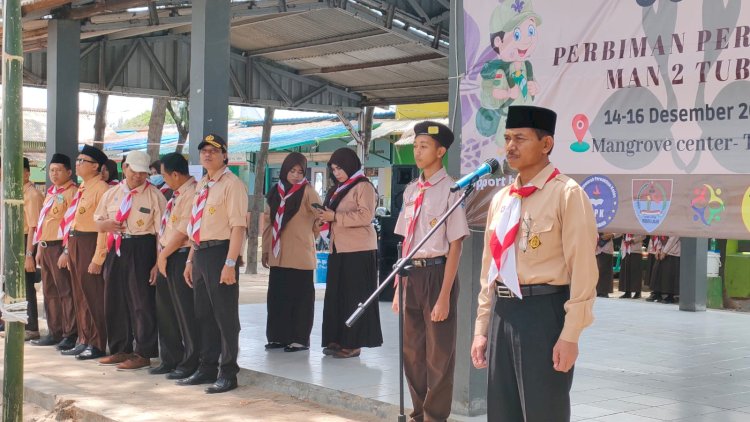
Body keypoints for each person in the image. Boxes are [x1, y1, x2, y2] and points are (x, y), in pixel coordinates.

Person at [471, 105, 598, 421]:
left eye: (521, 139)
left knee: (544, 411)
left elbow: (583, 270)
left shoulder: (567, 195)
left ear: (546, 144)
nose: (511, 146)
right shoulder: (502, 199)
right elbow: (491, 269)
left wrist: (571, 335)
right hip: (503, 312)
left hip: (544, 314)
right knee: (502, 412)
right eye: (508, 138)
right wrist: (482, 328)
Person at [392, 121, 469, 421]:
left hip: (438, 274)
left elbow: (456, 246)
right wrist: (398, 288)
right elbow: (405, 242)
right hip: (411, 274)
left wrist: (445, 295)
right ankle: (417, 412)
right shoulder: (411, 191)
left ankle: (435, 417)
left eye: (424, 146)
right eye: (415, 146)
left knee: (439, 354)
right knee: (412, 351)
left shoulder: (451, 191)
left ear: (441, 151)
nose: (418, 151)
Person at [182, 134, 248, 394]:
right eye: (204, 151)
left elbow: (238, 227)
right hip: (199, 254)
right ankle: (207, 366)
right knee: (203, 314)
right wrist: (190, 260)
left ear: (224, 155)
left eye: (213, 151)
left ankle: (228, 373)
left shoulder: (232, 184)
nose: (208, 155)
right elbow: (194, 226)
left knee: (225, 316)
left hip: (220, 253)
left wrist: (230, 263)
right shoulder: (204, 184)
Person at [94, 150, 165, 370]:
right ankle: (119, 349)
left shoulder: (155, 196)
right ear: (125, 168)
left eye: (143, 173)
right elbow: (98, 219)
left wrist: (157, 262)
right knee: (114, 299)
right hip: (116, 246)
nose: (138, 177)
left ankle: (143, 352)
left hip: (142, 248)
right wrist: (104, 226)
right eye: (134, 172)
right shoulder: (112, 193)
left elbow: (161, 233)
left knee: (141, 302)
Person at [318, 147, 382, 359]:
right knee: (337, 296)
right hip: (339, 247)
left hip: (359, 249)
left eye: (340, 168)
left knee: (356, 297)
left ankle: (354, 343)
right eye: (333, 169)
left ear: (350, 165)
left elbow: (365, 216)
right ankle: (338, 338)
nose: (336, 172)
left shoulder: (362, 186)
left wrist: (334, 216)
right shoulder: (338, 188)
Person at [261, 152, 321, 352]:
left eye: (300, 171)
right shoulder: (274, 192)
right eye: (292, 171)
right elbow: (268, 223)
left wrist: (313, 232)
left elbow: (320, 214)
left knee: (301, 299)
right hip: (279, 254)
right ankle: (278, 336)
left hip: (300, 254)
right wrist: (266, 250)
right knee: (278, 297)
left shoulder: (308, 191)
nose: (295, 175)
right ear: (285, 170)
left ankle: (299, 338)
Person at [152, 153, 200, 379]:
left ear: (176, 174)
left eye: (164, 176)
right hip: (166, 255)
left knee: (184, 311)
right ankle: (170, 358)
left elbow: (183, 232)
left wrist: (163, 256)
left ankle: (190, 361)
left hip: (179, 256)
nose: (163, 180)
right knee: (166, 311)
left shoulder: (193, 193)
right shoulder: (176, 194)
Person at [61, 145, 110, 359]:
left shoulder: (102, 189)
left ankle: (97, 342)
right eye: (78, 160)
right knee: (79, 293)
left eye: (83, 161)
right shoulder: (83, 188)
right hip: (76, 240)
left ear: (96, 166)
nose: (78, 164)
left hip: (90, 241)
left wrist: (98, 257)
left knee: (93, 295)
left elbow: (103, 228)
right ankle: (84, 338)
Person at [30, 153, 79, 350]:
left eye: (59, 170)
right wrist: (39, 247)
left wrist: (66, 250)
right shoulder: (51, 192)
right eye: (51, 170)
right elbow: (44, 223)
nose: (54, 174)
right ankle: (54, 331)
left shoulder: (72, 192)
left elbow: (72, 224)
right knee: (49, 292)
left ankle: (70, 333)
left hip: (61, 246)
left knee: (66, 291)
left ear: (69, 172)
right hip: (47, 246)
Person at [21, 157, 45, 341]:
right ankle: (17, 320)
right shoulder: (17, 192)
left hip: (27, 240)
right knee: (16, 283)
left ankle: (31, 327)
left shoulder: (33, 195)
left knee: (27, 283)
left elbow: (33, 227)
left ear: (27, 172)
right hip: (17, 240)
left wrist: (29, 253)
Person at [650, 236, 680, 304]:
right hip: (663, 250)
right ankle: (657, 293)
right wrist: (658, 249)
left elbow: (673, 238)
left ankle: (670, 295)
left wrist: (665, 251)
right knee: (658, 271)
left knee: (670, 273)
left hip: (673, 251)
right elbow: (661, 237)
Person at [619, 234, 646, 299]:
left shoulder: (639, 224)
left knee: (636, 272)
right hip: (625, 249)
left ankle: (638, 292)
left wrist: (633, 240)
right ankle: (627, 292)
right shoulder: (625, 225)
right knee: (626, 271)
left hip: (635, 250)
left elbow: (643, 235)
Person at [595, 233, 617, 298]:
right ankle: (597, 290)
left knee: (606, 271)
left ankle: (605, 291)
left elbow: (619, 232)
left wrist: (612, 235)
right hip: (597, 248)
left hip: (607, 249)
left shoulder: (612, 223)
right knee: (597, 271)